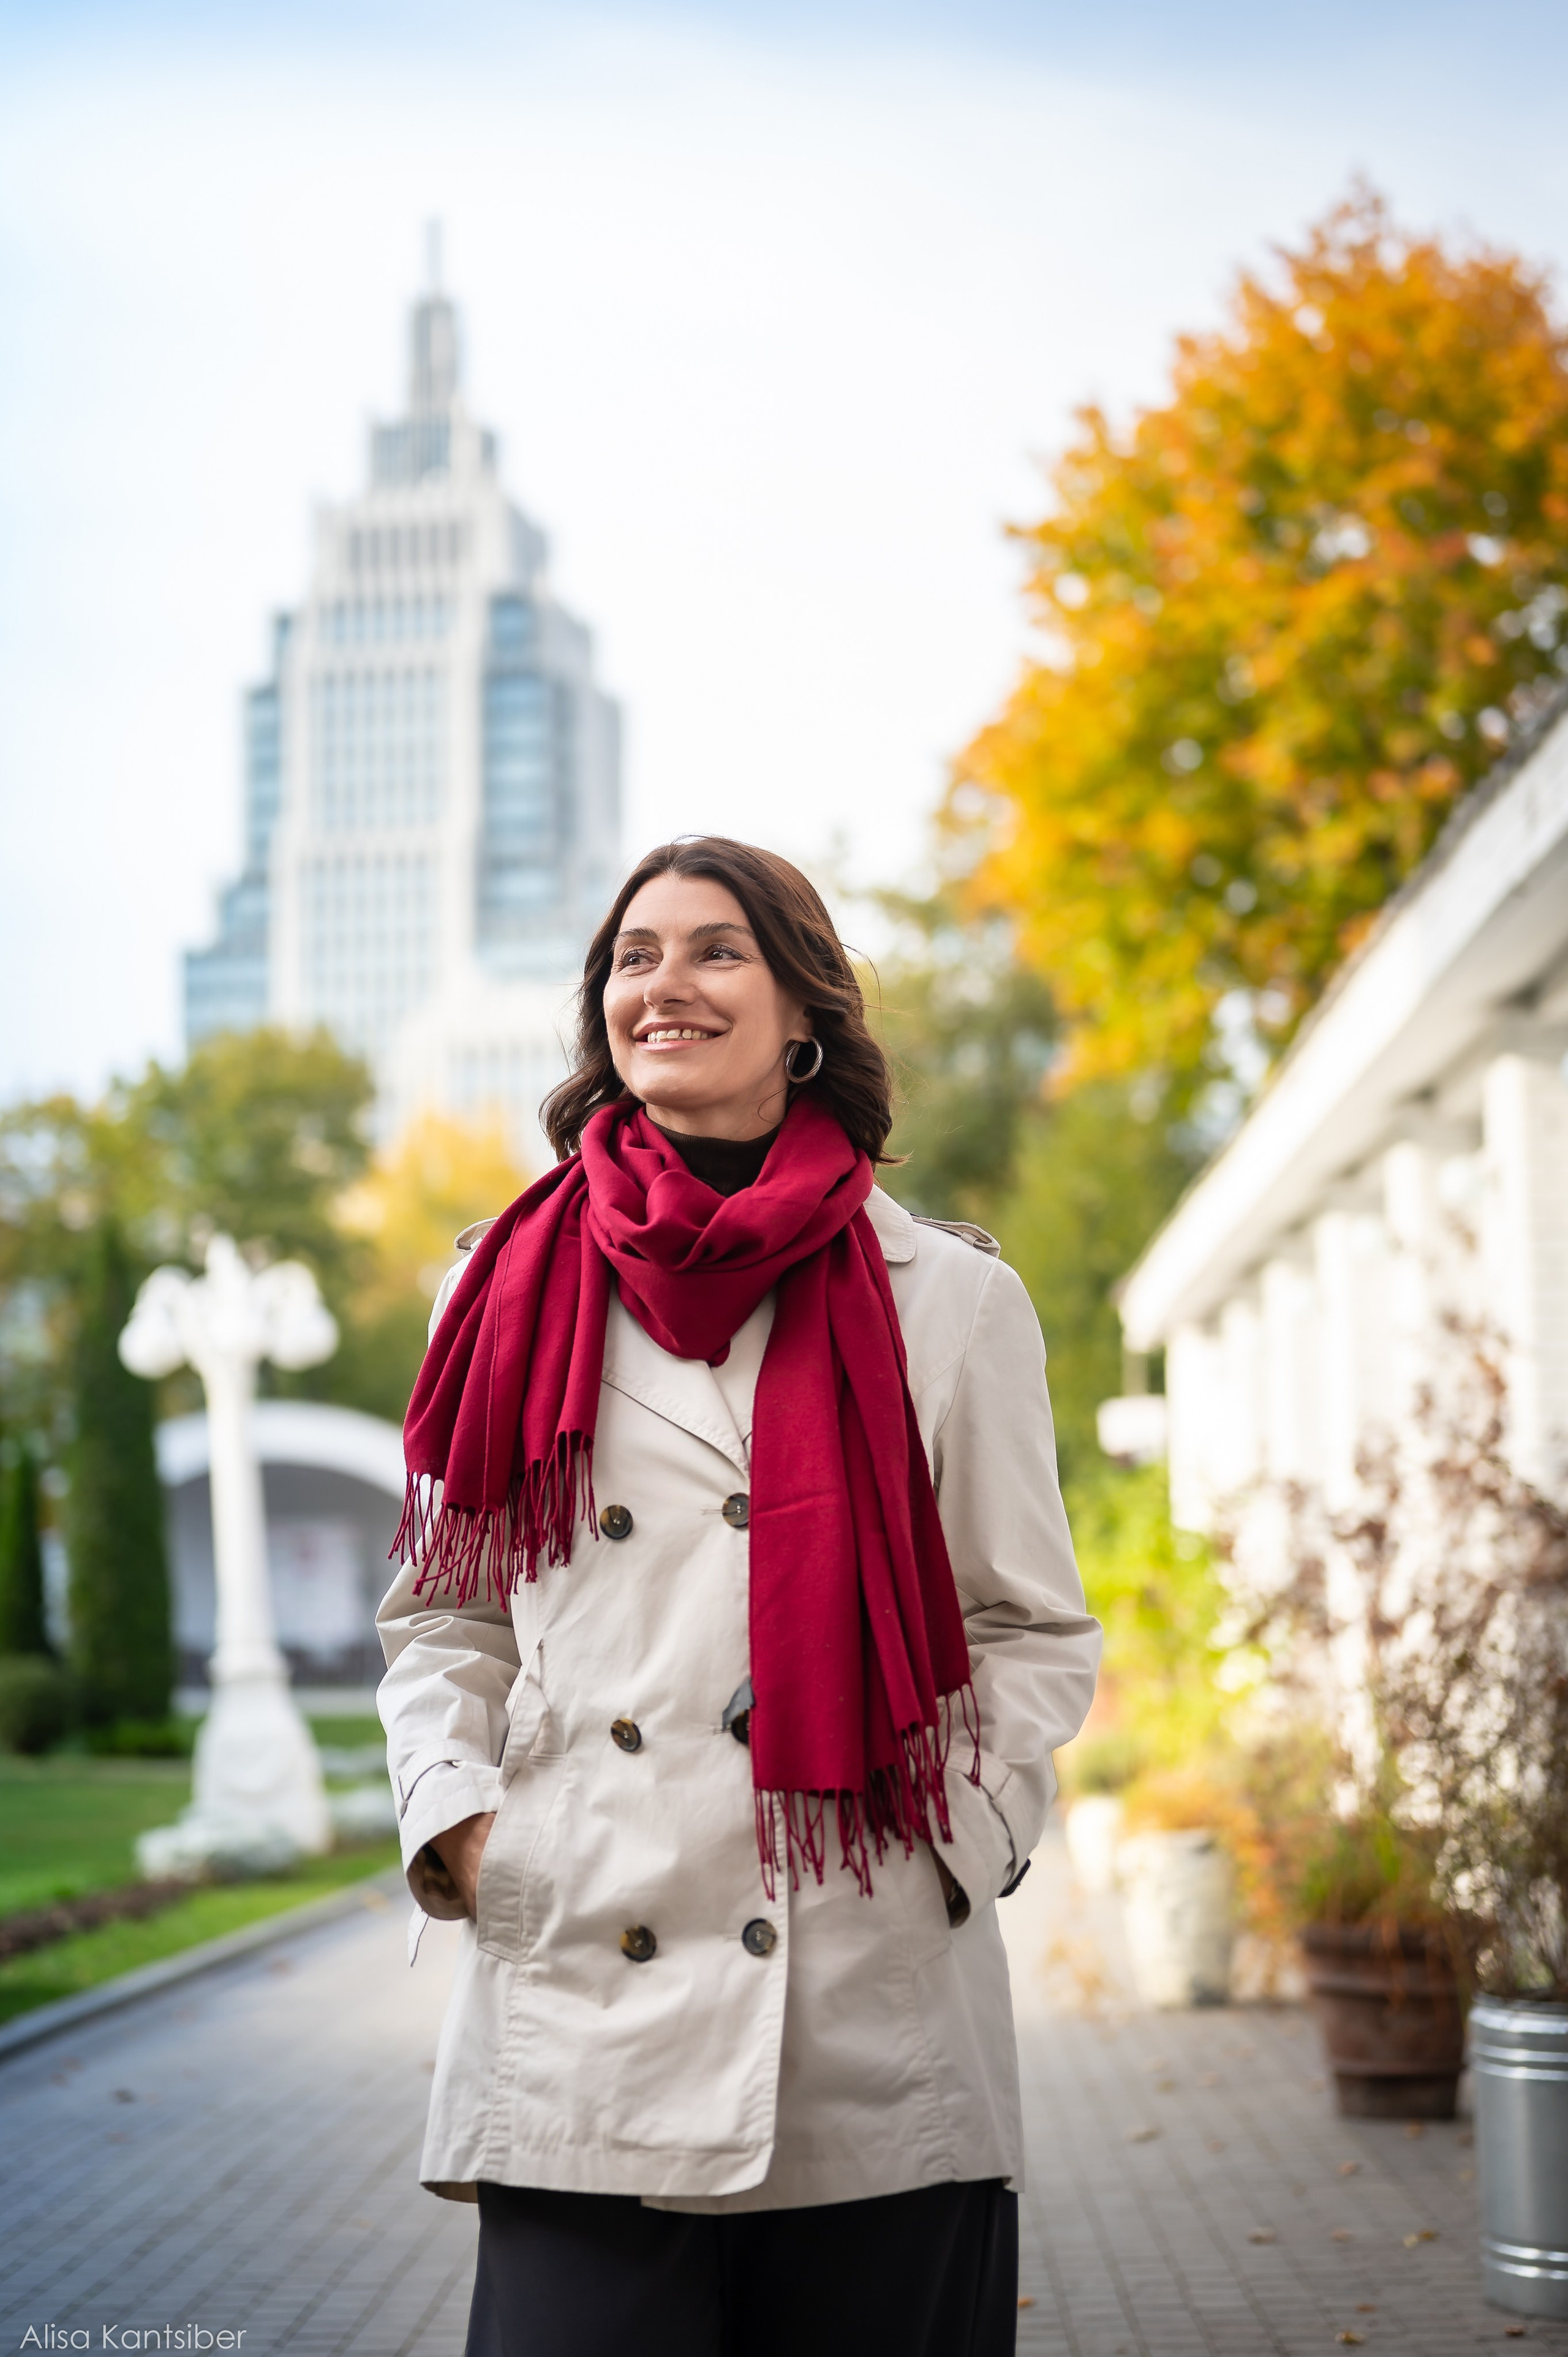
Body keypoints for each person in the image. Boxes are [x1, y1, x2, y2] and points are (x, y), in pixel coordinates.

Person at [377, 837, 1100, 2357]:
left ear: (800, 1014)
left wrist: (956, 1842)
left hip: (856, 1982)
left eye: (716, 951)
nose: (666, 984)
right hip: (581, 1965)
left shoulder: (949, 1297)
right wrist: (465, 1831)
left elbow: (1027, 1628)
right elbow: (446, 1617)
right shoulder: (500, 1284)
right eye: (634, 956)